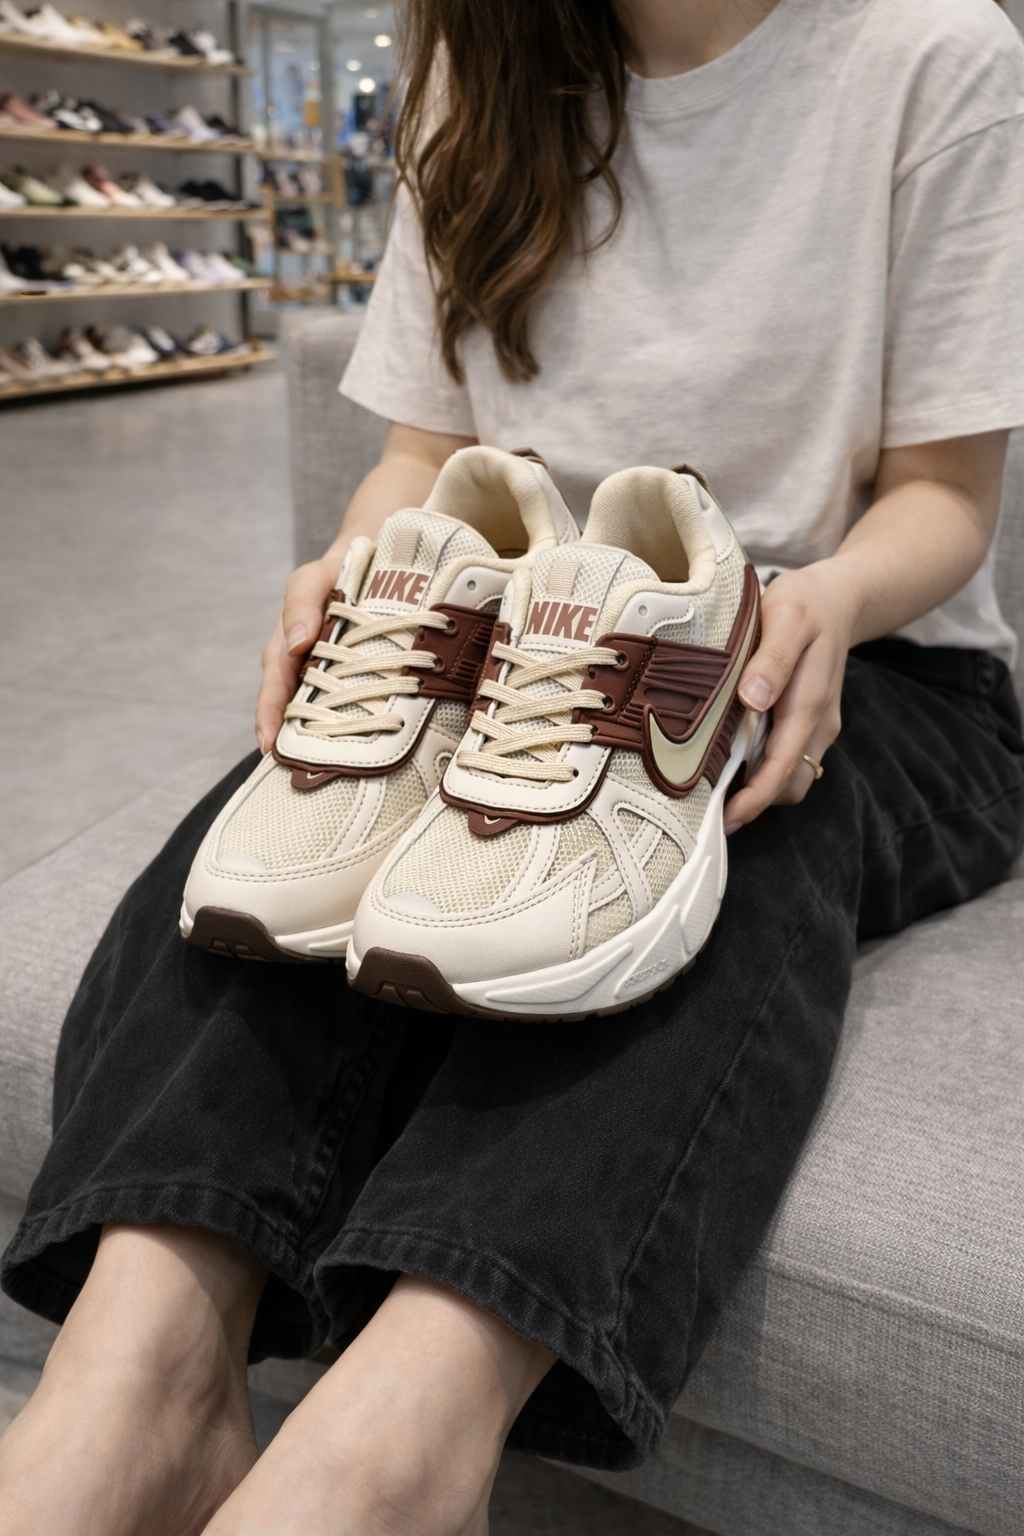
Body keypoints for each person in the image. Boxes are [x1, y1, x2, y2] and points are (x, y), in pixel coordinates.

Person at [2, 0, 1023, 1532]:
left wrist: (820, 604)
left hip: (869, 663)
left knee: (729, 822)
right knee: (279, 865)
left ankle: (391, 1457)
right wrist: (353, 567)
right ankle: (138, 1385)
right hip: (526, 649)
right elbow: (425, 454)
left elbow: (946, 495)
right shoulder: (481, 60)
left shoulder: (931, 52)